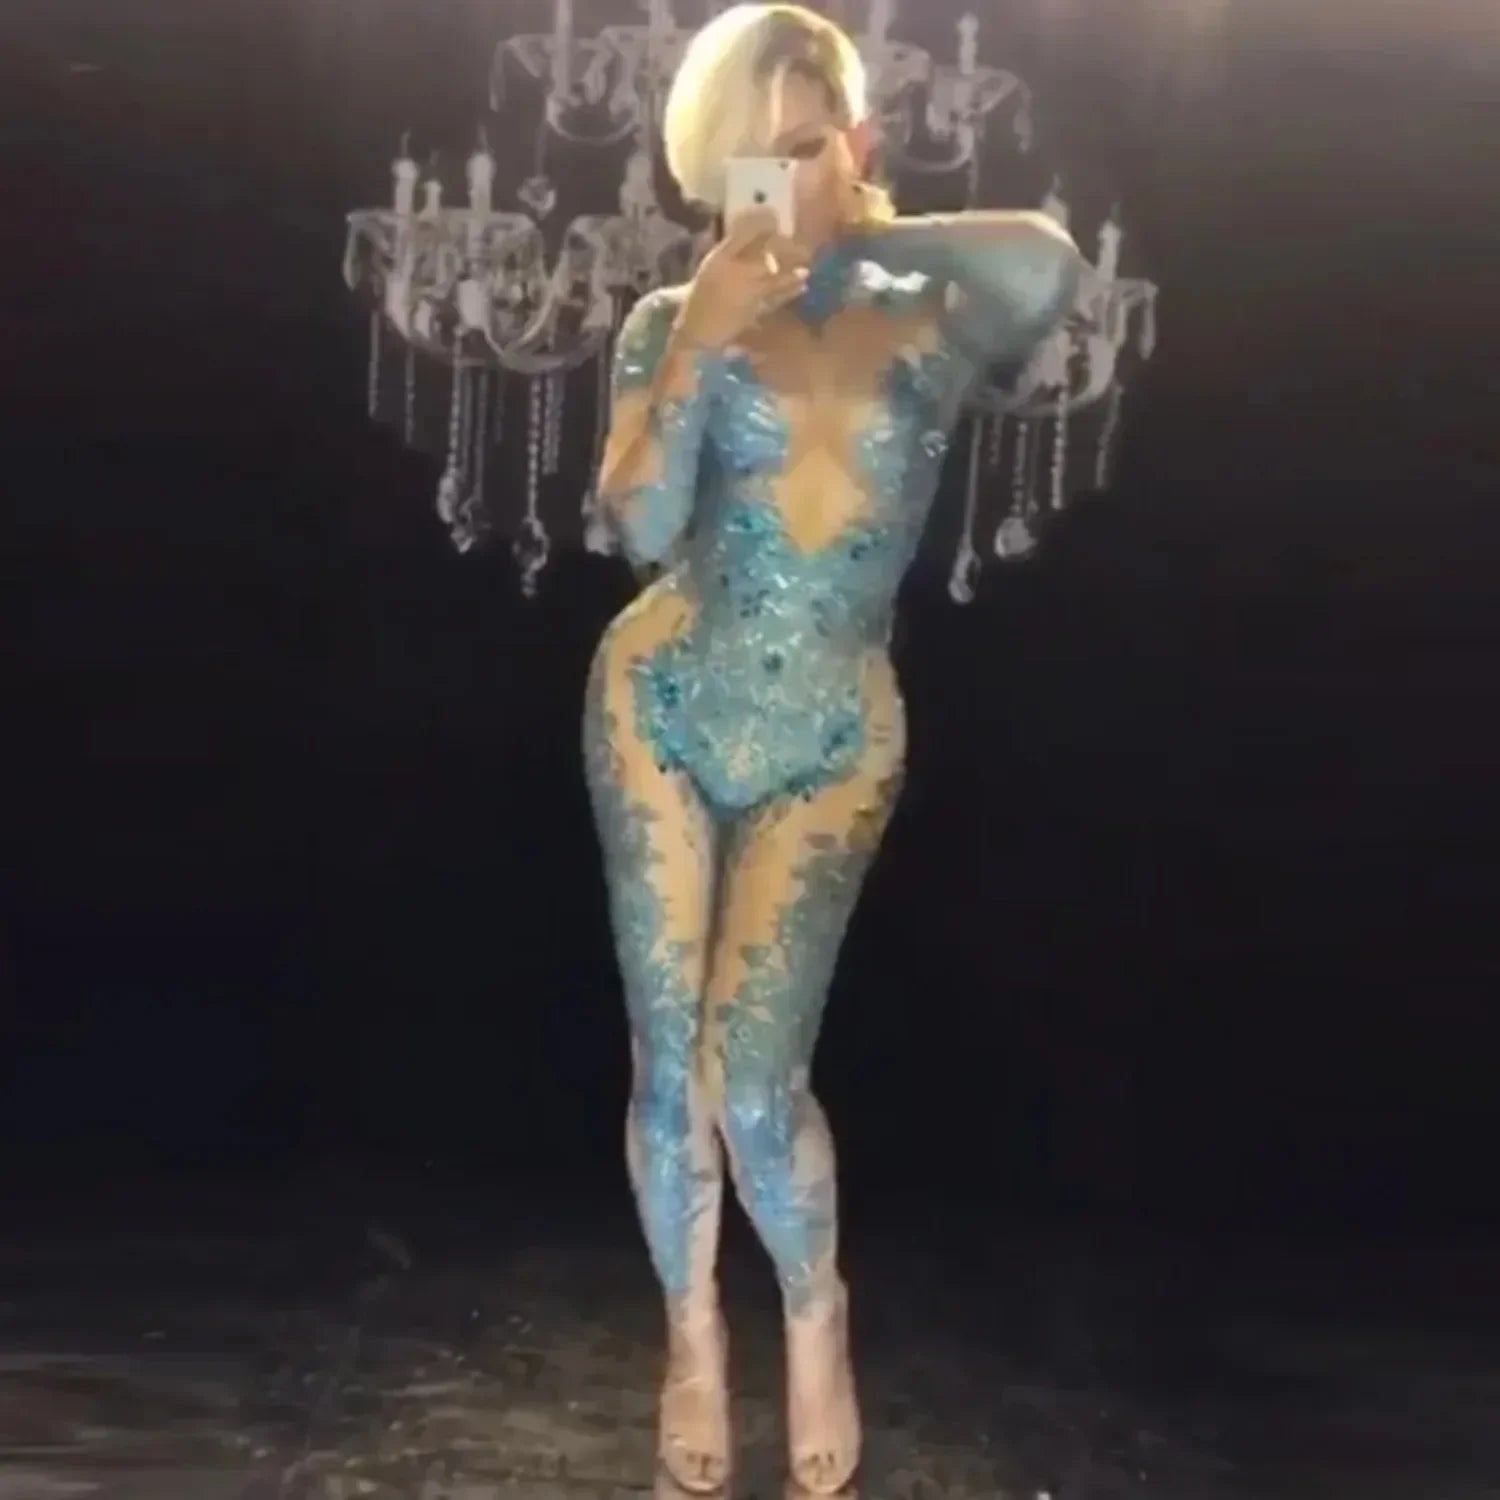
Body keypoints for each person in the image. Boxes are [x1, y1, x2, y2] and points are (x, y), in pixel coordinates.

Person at [581, 4, 1082, 1493]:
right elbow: (640, 525)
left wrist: (865, 223)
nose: (779, 184)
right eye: (751, 160)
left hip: (832, 733)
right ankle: (692, 1336)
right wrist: (699, 341)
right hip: (662, 704)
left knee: (753, 1082)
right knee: (668, 1073)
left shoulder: (934, 307)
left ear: (858, 140)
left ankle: (814, 1312)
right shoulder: (671, 320)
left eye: (804, 147)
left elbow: (1050, 267)